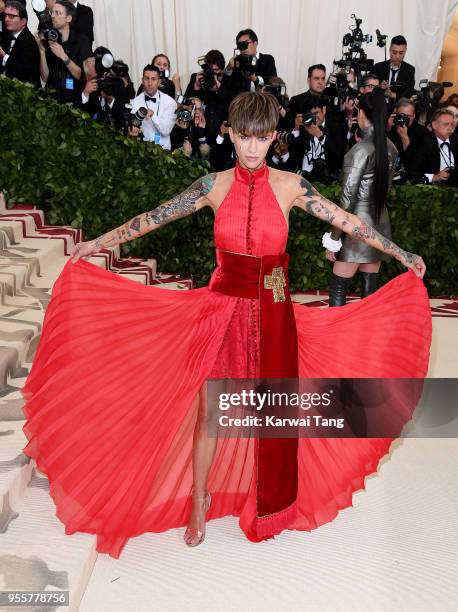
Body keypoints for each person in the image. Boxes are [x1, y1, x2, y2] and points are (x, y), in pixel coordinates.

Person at [21, 91, 431, 558]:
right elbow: (153, 218)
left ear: (273, 137)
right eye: (243, 138)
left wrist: (400, 254)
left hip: (274, 309)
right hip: (221, 309)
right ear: (230, 134)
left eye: (261, 138)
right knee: (208, 413)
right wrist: (97, 243)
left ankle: (271, 501)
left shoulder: (293, 186)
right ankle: (199, 498)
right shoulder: (211, 186)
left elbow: (350, 221)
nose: (252, 149)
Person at [324, 87, 398, 305]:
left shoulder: (360, 151)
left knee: (339, 286)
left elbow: (347, 200)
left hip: (356, 226)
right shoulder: (391, 148)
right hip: (380, 222)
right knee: (370, 292)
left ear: (362, 115)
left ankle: (335, 337)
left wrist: (334, 239)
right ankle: (368, 338)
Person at [35, 0, 91, 104]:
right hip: (52, 102)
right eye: (52, 12)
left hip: (75, 103)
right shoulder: (49, 41)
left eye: (58, 13)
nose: (52, 16)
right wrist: (42, 52)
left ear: (68, 18)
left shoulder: (82, 41)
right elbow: (45, 77)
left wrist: (63, 56)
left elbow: (81, 75)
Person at [129, 64, 177, 149]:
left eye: (153, 79)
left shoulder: (170, 102)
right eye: (146, 78)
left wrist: (153, 115)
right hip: (141, 151)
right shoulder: (134, 103)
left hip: (164, 153)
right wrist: (132, 134)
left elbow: (166, 130)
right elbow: (132, 131)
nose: (150, 83)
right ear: (142, 80)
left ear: (159, 82)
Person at [408, 108, 458, 186]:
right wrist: (434, 177)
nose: (450, 128)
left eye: (451, 124)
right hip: (428, 191)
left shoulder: (456, 140)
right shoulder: (423, 143)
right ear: (434, 125)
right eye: (446, 124)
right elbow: (411, 173)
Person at [0, 0, 40, 84]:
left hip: (24, 92)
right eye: (5, 15)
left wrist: (3, 55)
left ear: (23, 21)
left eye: (11, 16)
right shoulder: (5, 37)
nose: (6, 19)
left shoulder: (29, 41)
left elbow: (24, 71)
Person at [373, 35, 415, 103]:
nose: (397, 56)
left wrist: (392, 94)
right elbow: (369, 87)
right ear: (389, 50)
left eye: (401, 53)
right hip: (379, 107)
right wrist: (379, 87)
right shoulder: (378, 67)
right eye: (394, 52)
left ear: (405, 51)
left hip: (398, 109)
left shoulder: (410, 70)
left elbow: (409, 92)